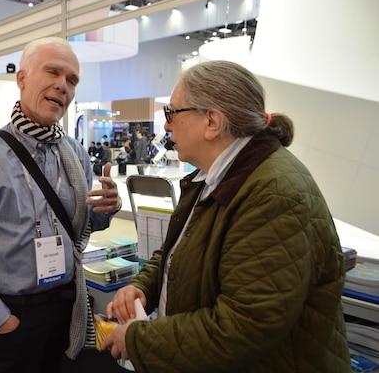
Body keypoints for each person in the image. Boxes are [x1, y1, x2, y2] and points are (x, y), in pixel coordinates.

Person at [101, 60, 351, 372]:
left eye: (172, 113)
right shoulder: (213, 177)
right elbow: (178, 253)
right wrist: (142, 287)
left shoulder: (271, 194)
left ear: (213, 122)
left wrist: (139, 340)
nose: (166, 125)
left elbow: (244, 325)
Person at [0, 37, 122, 373]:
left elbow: (77, 229)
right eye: (53, 72)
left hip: (66, 310)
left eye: (72, 80)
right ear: (22, 79)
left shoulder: (76, 155)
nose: (62, 85)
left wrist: (102, 212)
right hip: (10, 316)